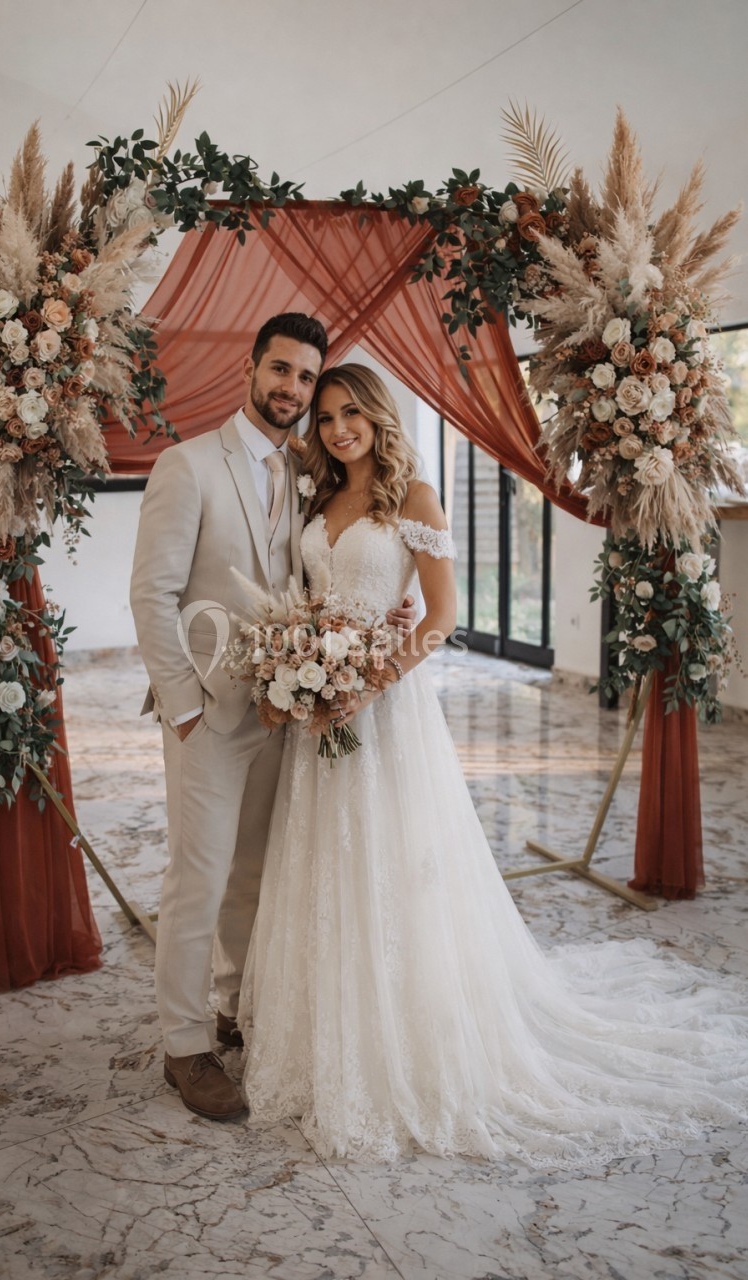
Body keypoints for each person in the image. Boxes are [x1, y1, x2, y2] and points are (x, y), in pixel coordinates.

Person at [238, 363, 748, 1166]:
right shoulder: (314, 496)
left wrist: (364, 684)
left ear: (378, 417)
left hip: (384, 710)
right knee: (325, 867)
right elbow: (310, 598)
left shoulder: (413, 498)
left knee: (397, 868)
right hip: (320, 713)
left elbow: (441, 615)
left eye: (352, 415)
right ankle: (325, 1028)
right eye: (327, 417)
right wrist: (301, 668)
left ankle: (409, 1032)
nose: (338, 429)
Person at [129, 316, 414, 1122]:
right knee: (199, 878)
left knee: (255, 874)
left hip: (284, 713)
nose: (292, 389)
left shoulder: (306, 471)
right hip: (207, 717)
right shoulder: (188, 467)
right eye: (280, 371)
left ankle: (234, 1009)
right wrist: (184, 710)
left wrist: (373, 638)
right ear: (251, 367)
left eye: (304, 378)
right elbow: (150, 595)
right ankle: (185, 1047)